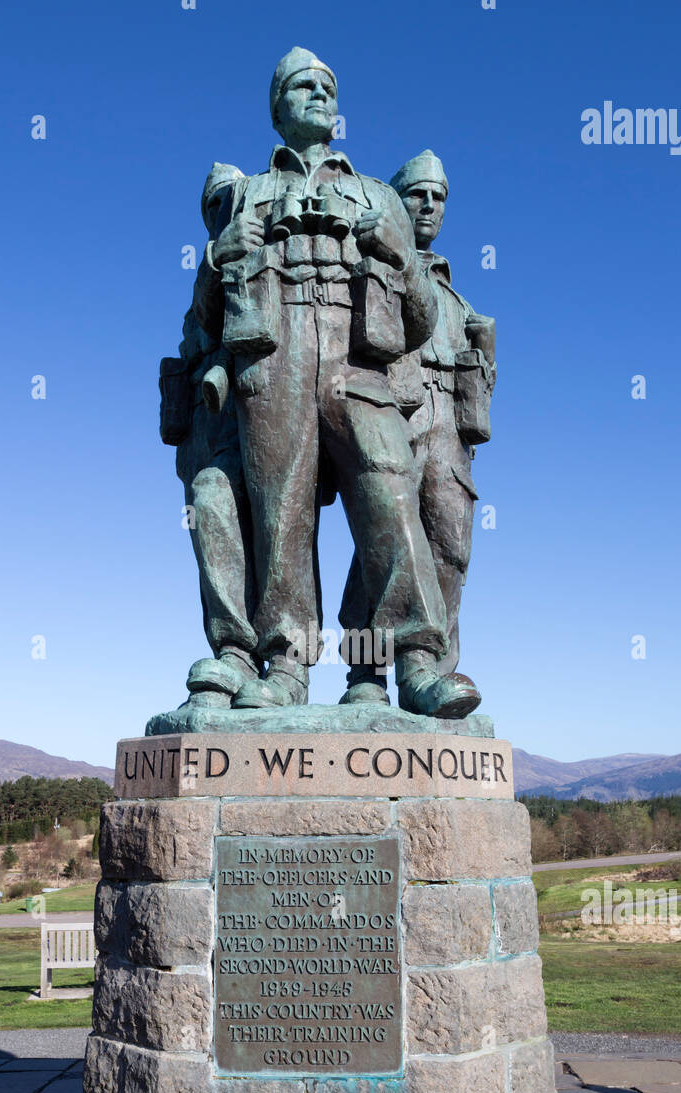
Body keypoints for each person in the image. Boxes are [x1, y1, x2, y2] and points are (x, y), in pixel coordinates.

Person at [192, 48, 480, 717]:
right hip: (273, 357)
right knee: (279, 513)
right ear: (277, 105)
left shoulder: (379, 195)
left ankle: (415, 660)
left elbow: (419, 320)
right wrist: (216, 260)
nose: (317, 93)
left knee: (390, 499)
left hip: (358, 362)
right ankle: (286, 663)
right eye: (301, 85)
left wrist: (404, 258)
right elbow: (206, 313)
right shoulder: (245, 194)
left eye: (327, 86)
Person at [340, 150, 496, 707]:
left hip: (449, 425)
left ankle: (436, 671)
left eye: (439, 196)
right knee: (383, 541)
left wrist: (487, 354)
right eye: (417, 194)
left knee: (450, 549)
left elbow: (482, 383)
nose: (429, 204)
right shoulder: (373, 260)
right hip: (397, 411)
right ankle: (365, 674)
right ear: (395, 202)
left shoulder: (457, 298)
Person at [159, 163, 262, 708]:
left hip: (264, 418)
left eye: (234, 199)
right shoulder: (212, 268)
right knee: (212, 517)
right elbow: (202, 323)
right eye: (215, 204)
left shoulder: (260, 257)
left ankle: (282, 660)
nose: (226, 210)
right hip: (208, 431)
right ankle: (233, 653)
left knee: (272, 535)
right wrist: (217, 258)